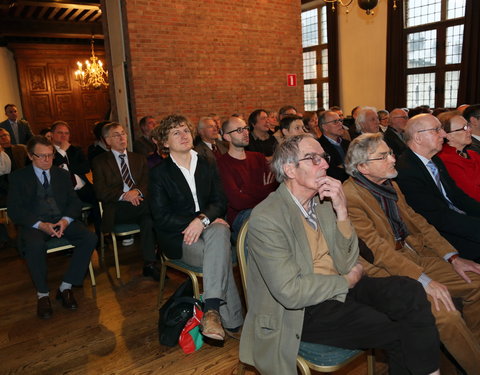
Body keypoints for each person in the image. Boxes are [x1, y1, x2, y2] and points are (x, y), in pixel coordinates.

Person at [239, 134, 440, 375]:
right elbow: (290, 292)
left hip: (341, 290)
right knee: (395, 329)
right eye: (313, 159)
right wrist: (345, 281)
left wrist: (342, 211)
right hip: (303, 310)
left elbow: (346, 262)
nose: (325, 163)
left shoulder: (323, 202)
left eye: (323, 157)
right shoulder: (268, 217)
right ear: (290, 169)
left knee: (409, 290)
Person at [343, 133, 480, 373]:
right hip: (385, 272)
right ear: (363, 167)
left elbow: (419, 222)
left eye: (390, 153)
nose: (393, 159)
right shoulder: (350, 196)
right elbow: (379, 251)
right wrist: (425, 281)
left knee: (476, 284)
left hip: (414, 254)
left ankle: (471, 353)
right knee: (446, 316)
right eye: (383, 156)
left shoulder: (389, 184)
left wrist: (453, 257)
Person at [149, 114, 243, 342]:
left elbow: (219, 201)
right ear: (164, 142)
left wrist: (202, 221)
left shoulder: (207, 162)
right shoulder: (159, 173)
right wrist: (196, 222)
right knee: (220, 253)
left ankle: (212, 312)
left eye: (185, 130)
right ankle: (234, 320)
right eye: (175, 133)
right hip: (179, 237)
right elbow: (161, 217)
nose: (183, 136)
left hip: (209, 228)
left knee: (219, 235)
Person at [7, 136, 96, 319]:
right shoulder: (18, 177)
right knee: (34, 245)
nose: (47, 160)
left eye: (50, 155)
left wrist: (65, 221)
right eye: (42, 156)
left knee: (89, 238)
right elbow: (15, 211)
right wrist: (40, 225)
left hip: (60, 219)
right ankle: (43, 294)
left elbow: (74, 203)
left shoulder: (62, 174)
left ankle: (66, 286)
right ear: (30, 156)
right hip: (35, 224)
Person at [396, 114, 480, 262]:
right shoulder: (406, 170)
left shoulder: (434, 160)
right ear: (418, 137)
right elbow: (436, 217)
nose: (443, 134)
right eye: (436, 130)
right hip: (438, 236)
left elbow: (458, 197)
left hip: (455, 221)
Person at [92, 122, 159, 280]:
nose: (122, 137)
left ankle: (150, 264)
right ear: (107, 141)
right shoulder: (100, 161)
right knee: (155, 209)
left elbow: (147, 183)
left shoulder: (138, 158)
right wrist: (125, 195)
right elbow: (100, 191)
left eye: (123, 133)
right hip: (117, 208)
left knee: (148, 220)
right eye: (117, 135)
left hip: (140, 204)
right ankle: (169, 251)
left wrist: (137, 192)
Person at [217, 116, 277, 242]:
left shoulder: (258, 157)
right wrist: (263, 190)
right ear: (227, 137)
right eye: (239, 130)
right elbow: (237, 202)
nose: (245, 133)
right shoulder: (222, 163)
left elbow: (274, 189)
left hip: (267, 209)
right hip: (241, 215)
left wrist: (246, 190)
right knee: (261, 220)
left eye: (245, 128)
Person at [51, 121, 101, 240]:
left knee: (100, 199)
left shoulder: (75, 149)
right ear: (52, 134)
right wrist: (62, 152)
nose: (64, 136)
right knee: (71, 207)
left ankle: (99, 237)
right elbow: (54, 170)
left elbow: (85, 167)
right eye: (60, 133)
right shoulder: (48, 152)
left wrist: (66, 166)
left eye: (66, 133)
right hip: (63, 191)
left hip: (82, 187)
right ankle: (76, 239)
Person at [437, 112, 480, 201]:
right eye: (464, 128)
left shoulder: (473, 154)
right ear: (448, 135)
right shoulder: (445, 159)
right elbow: (470, 194)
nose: (469, 130)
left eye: (468, 126)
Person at [317, 110, 350, 182]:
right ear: (325, 127)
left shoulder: (349, 144)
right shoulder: (318, 146)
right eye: (335, 122)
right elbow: (330, 172)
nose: (340, 124)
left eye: (340, 120)